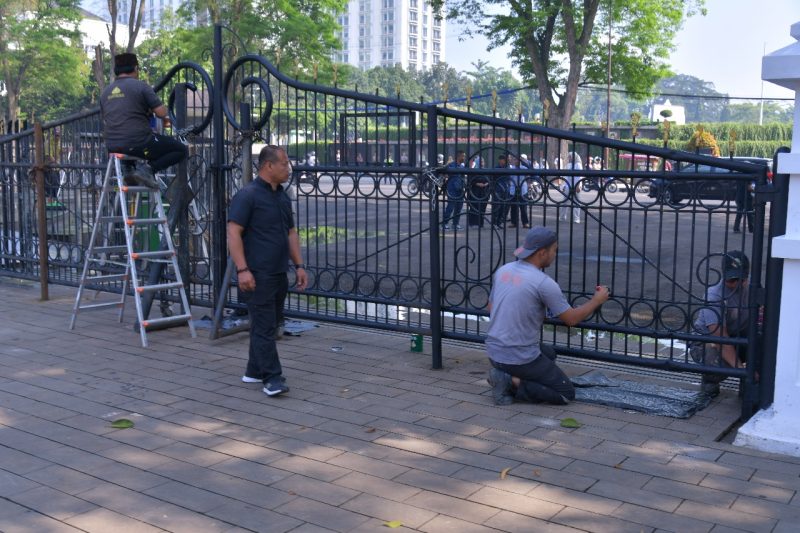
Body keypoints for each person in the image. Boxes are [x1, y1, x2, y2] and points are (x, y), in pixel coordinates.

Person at [486, 227, 610, 405]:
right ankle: (510, 381)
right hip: (518, 358)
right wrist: (597, 300)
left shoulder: (504, 270)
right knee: (565, 393)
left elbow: (491, 307)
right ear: (543, 253)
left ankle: (507, 374)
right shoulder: (543, 283)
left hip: (494, 352)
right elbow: (571, 319)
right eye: (554, 249)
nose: (555, 254)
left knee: (549, 354)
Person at [227, 145, 308, 397]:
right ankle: (272, 378)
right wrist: (242, 270)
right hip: (256, 273)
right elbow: (233, 232)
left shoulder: (282, 196)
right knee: (264, 326)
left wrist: (299, 265)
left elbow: (291, 233)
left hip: (278, 272)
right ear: (268, 166)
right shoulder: (248, 195)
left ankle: (253, 370)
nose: (288, 168)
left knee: (269, 324)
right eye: (284, 163)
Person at [689, 251, 751, 397]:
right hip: (709, 341)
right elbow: (720, 339)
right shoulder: (714, 295)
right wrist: (743, 373)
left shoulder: (753, 287)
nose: (735, 283)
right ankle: (710, 379)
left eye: (740, 279)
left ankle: (749, 387)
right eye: (731, 279)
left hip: (739, 336)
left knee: (766, 347)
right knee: (717, 363)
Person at [442, 150, 466, 230]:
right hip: (452, 189)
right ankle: (444, 223)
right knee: (450, 207)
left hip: (460, 189)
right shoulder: (451, 165)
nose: (464, 158)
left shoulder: (462, 167)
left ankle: (455, 224)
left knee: (459, 207)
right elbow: (445, 175)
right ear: (459, 156)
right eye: (463, 156)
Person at [466, 155, 490, 228]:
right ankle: (472, 223)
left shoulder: (486, 170)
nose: (482, 163)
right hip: (475, 192)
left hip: (484, 192)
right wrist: (477, 183)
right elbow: (470, 180)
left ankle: (480, 223)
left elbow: (490, 179)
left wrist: (486, 183)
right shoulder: (473, 170)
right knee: (474, 207)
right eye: (480, 161)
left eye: (482, 161)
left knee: (482, 207)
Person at [509, 154, 532, 229]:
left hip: (523, 189)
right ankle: (513, 222)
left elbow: (528, 176)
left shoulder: (524, 168)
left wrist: (529, 184)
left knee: (523, 207)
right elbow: (509, 178)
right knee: (513, 207)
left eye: (518, 160)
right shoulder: (511, 169)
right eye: (515, 160)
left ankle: (525, 223)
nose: (516, 161)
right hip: (513, 189)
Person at [491, 154, 512, 228]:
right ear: (500, 160)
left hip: (505, 190)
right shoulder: (496, 168)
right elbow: (492, 179)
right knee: (496, 207)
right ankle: (494, 223)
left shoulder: (508, 167)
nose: (505, 161)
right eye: (504, 160)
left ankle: (499, 223)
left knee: (503, 207)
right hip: (498, 190)